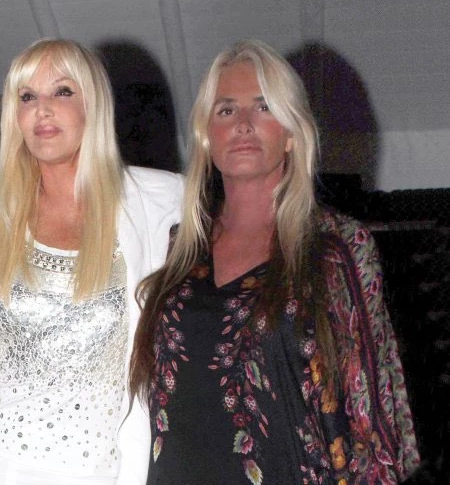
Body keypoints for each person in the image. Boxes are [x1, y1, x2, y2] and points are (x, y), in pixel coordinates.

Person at [129, 39, 421, 485]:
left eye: (263, 107)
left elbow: (375, 420)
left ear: (291, 133)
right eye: (226, 109)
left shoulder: (336, 246)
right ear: (207, 135)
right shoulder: (179, 248)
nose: (243, 124)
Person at [0, 39, 183, 485]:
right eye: (27, 97)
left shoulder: (159, 198)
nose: (42, 110)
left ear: (93, 105)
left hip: (89, 468)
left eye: (62, 91)